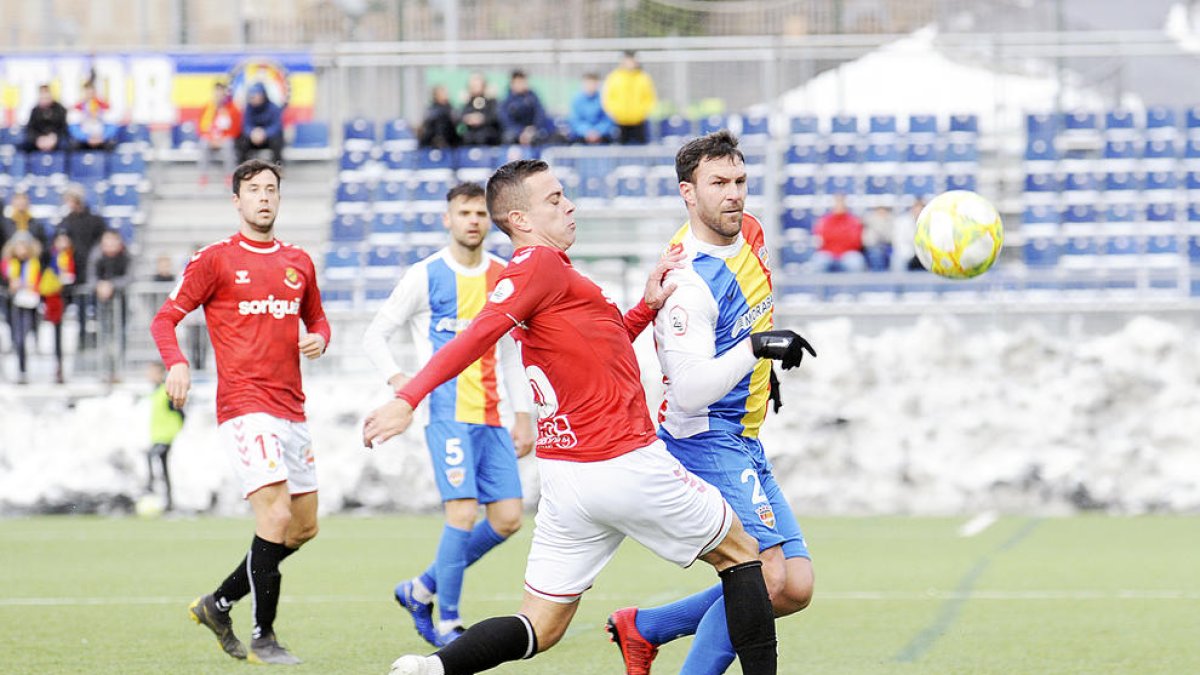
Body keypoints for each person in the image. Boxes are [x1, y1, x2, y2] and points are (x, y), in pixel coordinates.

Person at [369, 159, 783, 675]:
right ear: (521, 220)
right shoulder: (536, 268)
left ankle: (427, 669)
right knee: (746, 556)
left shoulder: (551, 277)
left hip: (567, 480)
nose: (569, 205)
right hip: (623, 461)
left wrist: (644, 309)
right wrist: (407, 397)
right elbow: (476, 335)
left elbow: (598, 350)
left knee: (541, 624)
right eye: (555, 199)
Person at [606, 130, 817, 675]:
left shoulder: (750, 231)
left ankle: (645, 628)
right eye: (718, 183)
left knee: (794, 586)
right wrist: (756, 350)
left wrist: (763, 373)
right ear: (687, 192)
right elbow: (694, 386)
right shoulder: (686, 281)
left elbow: (750, 311)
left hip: (743, 438)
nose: (734, 195)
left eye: (740, 181)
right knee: (764, 576)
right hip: (702, 439)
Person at [150, 159, 330, 665]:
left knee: (302, 527)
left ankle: (218, 603)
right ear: (237, 201)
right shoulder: (216, 259)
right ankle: (264, 636)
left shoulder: (299, 260)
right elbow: (165, 320)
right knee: (273, 515)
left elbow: (317, 318)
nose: (264, 197)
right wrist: (178, 362)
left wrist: (319, 337)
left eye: (271, 189)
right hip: (244, 405)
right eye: (254, 190)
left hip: (292, 408)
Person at [362, 182, 535, 647]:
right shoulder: (425, 275)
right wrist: (402, 385)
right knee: (461, 512)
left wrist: (524, 415)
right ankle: (449, 622)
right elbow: (375, 335)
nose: (473, 221)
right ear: (448, 219)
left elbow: (511, 353)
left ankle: (420, 589)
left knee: (508, 518)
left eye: (480, 213)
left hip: (494, 415)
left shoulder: (503, 276)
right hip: (446, 413)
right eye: (464, 213)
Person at [89, 229, 132, 382]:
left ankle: (119, 371)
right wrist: (100, 286)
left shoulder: (126, 256)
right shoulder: (97, 256)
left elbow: (130, 276)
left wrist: (112, 285)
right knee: (104, 337)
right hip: (102, 305)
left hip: (122, 303)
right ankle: (104, 371)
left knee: (121, 337)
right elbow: (91, 277)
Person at [3, 231, 44, 384]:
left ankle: (25, 369)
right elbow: (3, 281)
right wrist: (10, 284)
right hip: (13, 303)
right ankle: (21, 369)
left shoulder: (36, 263)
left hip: (30, 303)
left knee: (26, 335)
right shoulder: (7, 263)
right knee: (17, 338)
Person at [146, 362, 185, 511]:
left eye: (153, 372)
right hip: (158, 437)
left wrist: (177, 431)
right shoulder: (155, 392)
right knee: (164, 469)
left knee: (150, 457)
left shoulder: (166, 391)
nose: (149, 375)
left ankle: (149, 486)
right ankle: (168, 502)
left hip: (167, 437)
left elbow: (180, 413)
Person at [602, 51, 657, 145]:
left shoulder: (643, 77)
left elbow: (649, 97)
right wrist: (614, 113)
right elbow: (608, 98)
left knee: (641, 148)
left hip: (639, 121)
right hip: (620, 121)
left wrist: (643, 112)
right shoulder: (614, 77)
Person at [198, 82, 242, 187]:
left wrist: (222, 139)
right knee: (203, 143)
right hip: (211, 138)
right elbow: (201, 127)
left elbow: (236, 129)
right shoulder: (207, 108)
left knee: (229, 145)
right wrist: (211, 138)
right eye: (216, 92)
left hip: (225, 138)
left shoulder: (232, 108)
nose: (218, 94)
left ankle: (229, 175)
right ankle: (203, 176)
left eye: (220, 92)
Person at [811, 193, 867, 272]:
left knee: (856, 262)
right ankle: (819, 284)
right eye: (837, 203)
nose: (839, 206)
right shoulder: (824, 221)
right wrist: (842, 235)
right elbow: (821, 241)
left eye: (841, 203)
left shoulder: (854, 221)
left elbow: (856, 242)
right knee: (819, 261)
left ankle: (852, 284)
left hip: (848, 253)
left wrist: (835, 236)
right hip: (828, 252)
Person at [236, 83, 285, 166]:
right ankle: (243, 168)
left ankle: (277, 168)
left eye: (256, 95)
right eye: (252, 96)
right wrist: (252, 133)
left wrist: (264, 133)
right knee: (241, 141)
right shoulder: (248, 108)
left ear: (263, 96)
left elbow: (277, 126)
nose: (254, 98)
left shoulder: (273, 108)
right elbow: (245, 125)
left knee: (277, 140)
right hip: (253, 139)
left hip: (268, 139)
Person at [498, 71, 548, 147]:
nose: (521, 85)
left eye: (523, 82)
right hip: (515, 133)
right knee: (509, 137)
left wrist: (531, 130)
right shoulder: (506, 100)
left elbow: (540, 115)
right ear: (512, 84)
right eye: (518, 82)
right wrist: (520, 132)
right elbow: (506, 121)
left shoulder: (533, 97)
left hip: (532, 131)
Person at [68, 80, 118, 151]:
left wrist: (102, 137)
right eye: (87, 92)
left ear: (95, 92)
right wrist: (86, 138)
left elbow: (112, 126)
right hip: (84, 140)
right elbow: (73, 128)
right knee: (73, 144)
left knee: (111, 142)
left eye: (92, 92)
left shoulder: (105, 106)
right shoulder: (77, 108)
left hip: (101, 138)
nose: (89, 95)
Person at [568, 73, 615, 145]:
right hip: (582, 138)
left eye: (593, 84)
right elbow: (575, 120)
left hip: (602, 137)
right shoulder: (577, 100)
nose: (590, 86)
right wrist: (587, 131)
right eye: (588, 83)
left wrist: (598, 131)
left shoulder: (604, 99)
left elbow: (608, 119)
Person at [20, 84, 69, 153]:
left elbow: (64, 128)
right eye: (42, 96)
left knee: (66, 144)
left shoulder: (60, 109)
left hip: (56, 139)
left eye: (46, 96)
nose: (44, 98)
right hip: (39, 139)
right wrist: (38, 139)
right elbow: (30, 129)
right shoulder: (35, 111)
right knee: (24, 145)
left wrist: (55, 138)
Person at [458, 73, 502, 147]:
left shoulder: (490, 101)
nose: (475, 88)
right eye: (473, 86)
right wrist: (468, 119)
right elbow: (460, 118)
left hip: (488, 133)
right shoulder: (467, 102)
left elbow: (495, 117)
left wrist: (482, 119)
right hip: (470, 133)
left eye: (478, 85)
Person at [418, 85, 461, 149]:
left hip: (450, 143)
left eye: (445, 93)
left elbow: (456, 122)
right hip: (431, 144)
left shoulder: (450, 108)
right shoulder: (431, 110)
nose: (445, 95)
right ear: (435, 95)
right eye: (442, 93)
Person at [891, 199, 926, 272]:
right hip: (907, 252)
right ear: (912, 209)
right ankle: (899, 282)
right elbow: (898, 242)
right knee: (898, 261)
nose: (918, 212)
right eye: (917, 209)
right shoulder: (902, 221)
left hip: (926, 253)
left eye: (921, 209)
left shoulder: (931, 221)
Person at [861, 205, 894, 272]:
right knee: (876, 254)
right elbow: (867, 241)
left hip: (888, 247)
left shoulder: (891, 220)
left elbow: (891, 237)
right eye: (879, 209)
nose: (881, 211)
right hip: (872, 248)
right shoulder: (869, 220)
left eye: (884, 209)